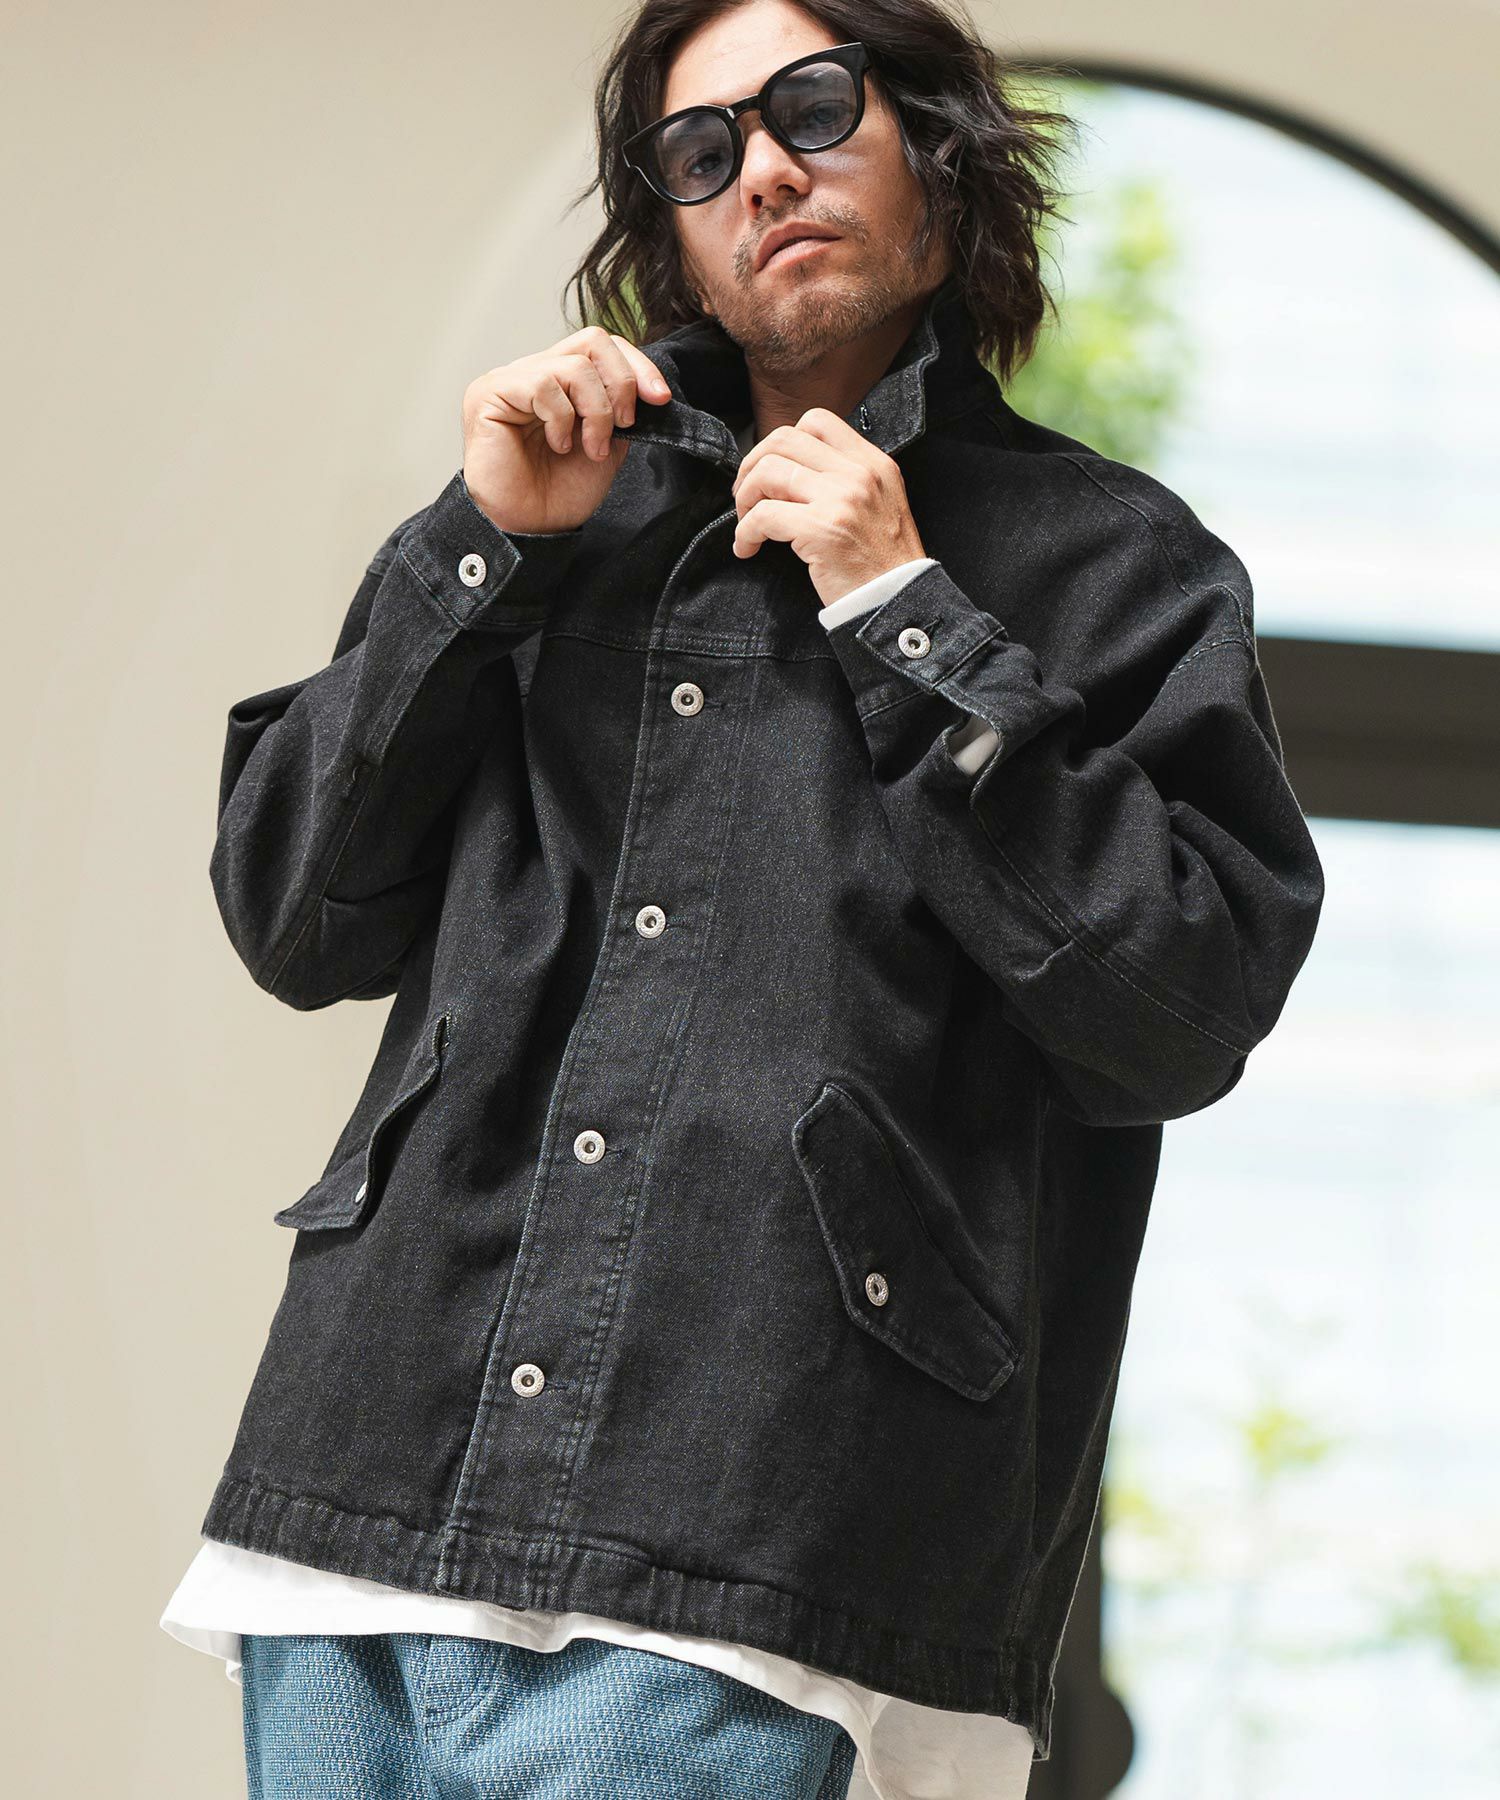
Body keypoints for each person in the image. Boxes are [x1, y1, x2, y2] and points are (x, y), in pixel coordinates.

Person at [159, 1, 1327, 1795]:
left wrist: (906, 613)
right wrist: (479, 544)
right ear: (673, 230)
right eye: (700, 152)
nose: (762, 170)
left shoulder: (1116, 566)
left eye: (811, 108)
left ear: (939, 149)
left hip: (773, 1516)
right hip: (366, 1478)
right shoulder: (553, 514)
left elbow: (1175, 1009)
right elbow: (293, 912)